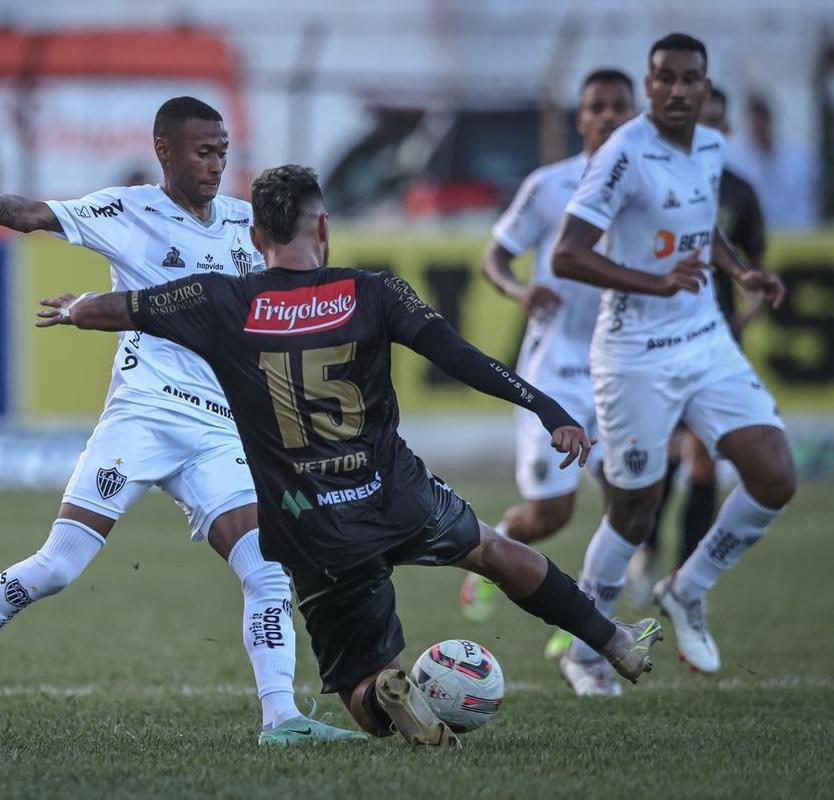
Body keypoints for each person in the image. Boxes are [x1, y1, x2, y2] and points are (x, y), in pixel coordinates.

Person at [33, 163, 662, 747]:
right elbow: (461, 358)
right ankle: (613, 641)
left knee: (363, 688)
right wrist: (546, 408)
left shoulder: (221, 301)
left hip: (309, 520)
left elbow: (124, 308)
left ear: (255, 236)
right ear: (324, 227)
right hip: (394, 492)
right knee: (493, 550)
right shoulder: (373, 291)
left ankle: (389, 688)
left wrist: (78, 309)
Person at [0, 97, 364, 747]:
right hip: (144, 416)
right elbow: (31, 214)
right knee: (58, 566)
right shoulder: (127, 210)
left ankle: (281, 719)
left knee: (267, 567)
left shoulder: (249, 224)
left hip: (220, 429)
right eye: (203, 151)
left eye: (223, 151)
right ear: (165, 151)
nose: (217, 163)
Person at [552, 33, 794, 691]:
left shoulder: (712, 146)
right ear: (649, 83)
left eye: (691, 80)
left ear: (705, 85)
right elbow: (566, 255)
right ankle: (586, 649)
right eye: (665, 79)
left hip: (704, 338)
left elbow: (701, 227)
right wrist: (654, 282)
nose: (678, 91)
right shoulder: (622, 154)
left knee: (773, 475)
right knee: (635, 510)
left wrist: (742, 271)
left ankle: (688, 586)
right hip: (634, 354)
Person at [459, 70, 637, 657]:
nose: (608, 116)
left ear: (634, 115)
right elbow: (496, 258)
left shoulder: (647, 187)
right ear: (581, 119)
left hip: (618, 365)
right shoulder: (550, 185)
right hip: (555, 366)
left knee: (630, 495)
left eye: (619, 106)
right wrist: (519, 292)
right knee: (551, 513)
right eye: (597, 107)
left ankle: (584, 618)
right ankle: (496, 548)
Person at [629, 84, 770, 606]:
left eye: (712, 120)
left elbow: (756, 261)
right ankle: (646, 547)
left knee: (705, 458)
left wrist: (742, 316)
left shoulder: (738, 191)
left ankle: (686, 576)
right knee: (660, 455)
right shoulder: (651, 179)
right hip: (657, 338)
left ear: (722, 130)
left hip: (711, 341)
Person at [726, 94, 819, 230]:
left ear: (769, 120)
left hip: (800, 233)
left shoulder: (799, 157)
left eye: (762, 119)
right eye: (755, 120)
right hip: (761, 237)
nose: (759, 126)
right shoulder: (735, 159)